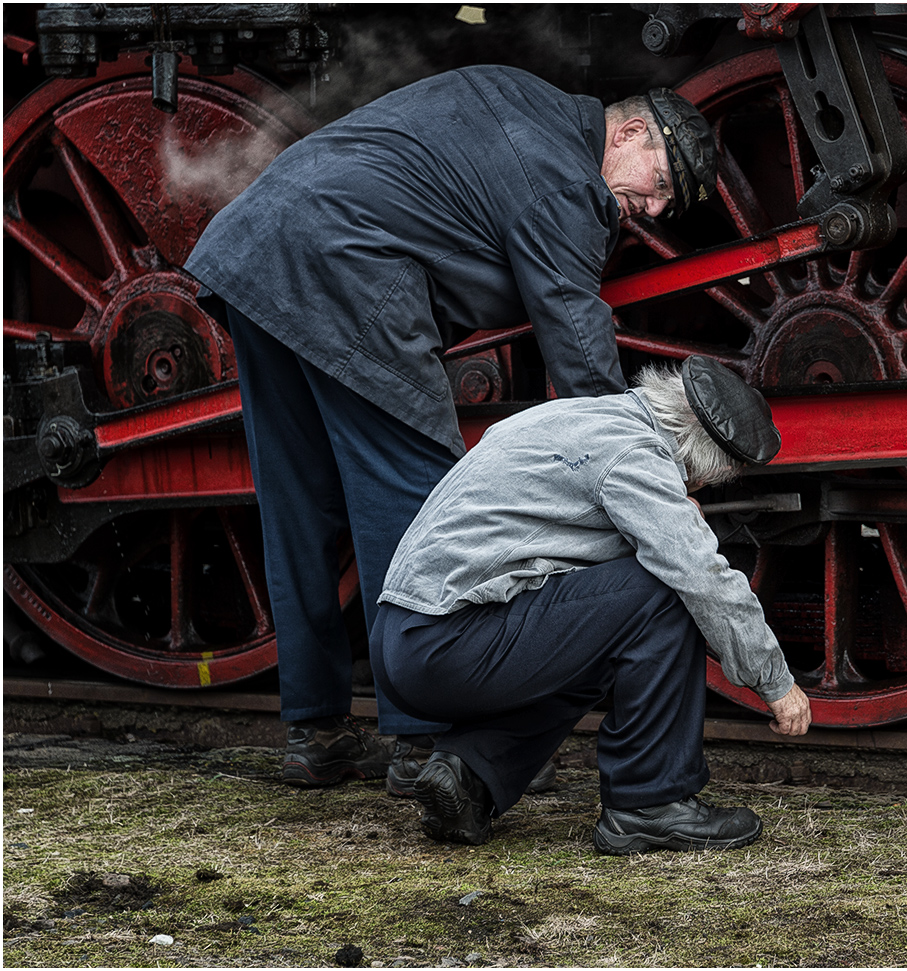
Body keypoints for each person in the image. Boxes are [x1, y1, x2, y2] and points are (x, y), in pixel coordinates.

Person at [182, 66, 718, 793]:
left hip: (257, 248)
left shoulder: (518, 92)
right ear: (626, 132)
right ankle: (420, 738)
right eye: (659, 183)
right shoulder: (567, 177)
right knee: (418, 502)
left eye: (664, 204)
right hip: (348, 271)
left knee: (299, 507)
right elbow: (577, 338)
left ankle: (316, 733)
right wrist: (648, 473)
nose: (650, 210)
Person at [369, 356, 813, 853]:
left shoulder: (573, 417)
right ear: (698, 463)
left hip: (401, 638)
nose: (699, 491)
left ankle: (470, 772)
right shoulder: (635, 456)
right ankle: (649, 800)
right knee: (663, 592)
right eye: (706, 481)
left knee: (600, 633)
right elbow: (700, 575)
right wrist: (775, 681)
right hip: (452, 642)